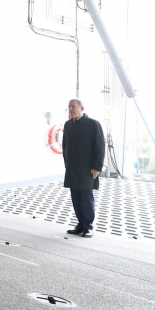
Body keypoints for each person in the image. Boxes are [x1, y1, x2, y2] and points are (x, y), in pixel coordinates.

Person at [63, 98, 105, 238]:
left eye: (73, 106)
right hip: (72, 168)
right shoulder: (68, 125)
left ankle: (88, 226)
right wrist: (66, 164)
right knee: (76, 199)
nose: (71, 109)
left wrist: (97, 167)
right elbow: (65, 146)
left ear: (82, 108)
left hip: (87, 169)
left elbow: (99, 147)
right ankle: (80, 224)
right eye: (69, 106)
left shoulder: (93, 124)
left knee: (86, 199)